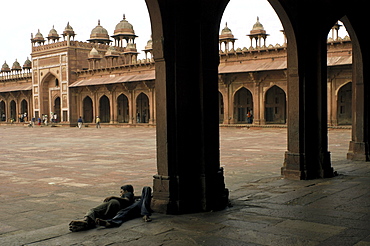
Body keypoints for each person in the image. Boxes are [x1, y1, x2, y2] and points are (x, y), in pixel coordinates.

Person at [69, 185, 135, 232]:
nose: (120, 194)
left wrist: (113, 197)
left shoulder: (128, 194)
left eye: (121, 192)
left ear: (126, 191)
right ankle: (90, 223)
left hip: (114, 203)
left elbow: (127, 200)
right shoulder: (133, 197)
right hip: (116, 209)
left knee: (93, 210)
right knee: (100, 215)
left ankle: (86, 220)